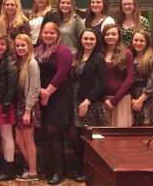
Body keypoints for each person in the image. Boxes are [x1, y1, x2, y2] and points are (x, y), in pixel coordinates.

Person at [34, 22, 73, 185]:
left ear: (58, 34)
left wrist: (47, 93)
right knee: (42, 132)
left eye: (52, 33)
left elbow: (61, 74)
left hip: (58, 95)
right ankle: (47, 167)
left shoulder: (63, 51)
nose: (48, 35)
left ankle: (59, 170)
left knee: (53, 131)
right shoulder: (37, 50)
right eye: (45, 33)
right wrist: (38, 92)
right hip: (40, 94)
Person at [68, 29, 107, 182]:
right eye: (86, 38)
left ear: (96, 41)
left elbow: (101, 84)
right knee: (73, 137)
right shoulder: (76, 56)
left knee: (88, 139)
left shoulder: (98, 58)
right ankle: (83, 165)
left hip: (91, 103)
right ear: (81, 40)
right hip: (74, 100)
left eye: (92, 39)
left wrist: (87, 101)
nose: (88, 41)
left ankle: (89, 169)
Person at [0, 33, 18, 181]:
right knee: (2, 134)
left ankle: (10, 168)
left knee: (7, 135)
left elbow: (12, 86)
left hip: (6, 103)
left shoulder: (9, 61)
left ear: (7, 46)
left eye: (3, 44)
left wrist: (6, 106)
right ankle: (6, 163)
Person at [13, 34, 40, 182]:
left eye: (23, 45)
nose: (20, 48)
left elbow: (34, 89)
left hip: (28, 106)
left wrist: (28, 111)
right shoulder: (20, 62)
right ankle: (31, 167)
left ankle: (33, 172)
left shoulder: (32, 63)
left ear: (29, 46)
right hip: (19, 105)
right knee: (18, 139)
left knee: (28, 139)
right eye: (17, 45)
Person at [102, 24, 134, 127]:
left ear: (118, 36)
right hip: (103, 101)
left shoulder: (127, 53)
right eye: (107, 34)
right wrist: (104, 99)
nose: (110, 36)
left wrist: (114, 101)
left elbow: (129, 79)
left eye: (113, 34)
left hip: (121, 100)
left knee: (121, 138)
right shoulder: (99, 54)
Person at [131, 30, 153, 126]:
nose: (138, 43)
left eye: (142, 41)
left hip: (147, 100)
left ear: (147, 42)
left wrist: (140, 101)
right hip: (131, 100)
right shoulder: (130, 58)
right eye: (136, 40)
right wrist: (131, 99)